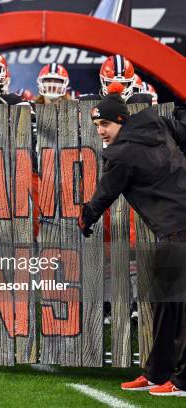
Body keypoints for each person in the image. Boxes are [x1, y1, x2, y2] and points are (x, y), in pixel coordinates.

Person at [78, 82, 186, 397]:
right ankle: (157, 373)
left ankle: (182, 382)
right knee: (166, 305)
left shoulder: (121, 153)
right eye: (97, 125)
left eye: (106, 124)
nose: (100, 130)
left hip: (180, 228)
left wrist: (86, 217)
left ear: (122, 122)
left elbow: (105, 192)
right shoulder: (160, 123)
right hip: (173, 229)